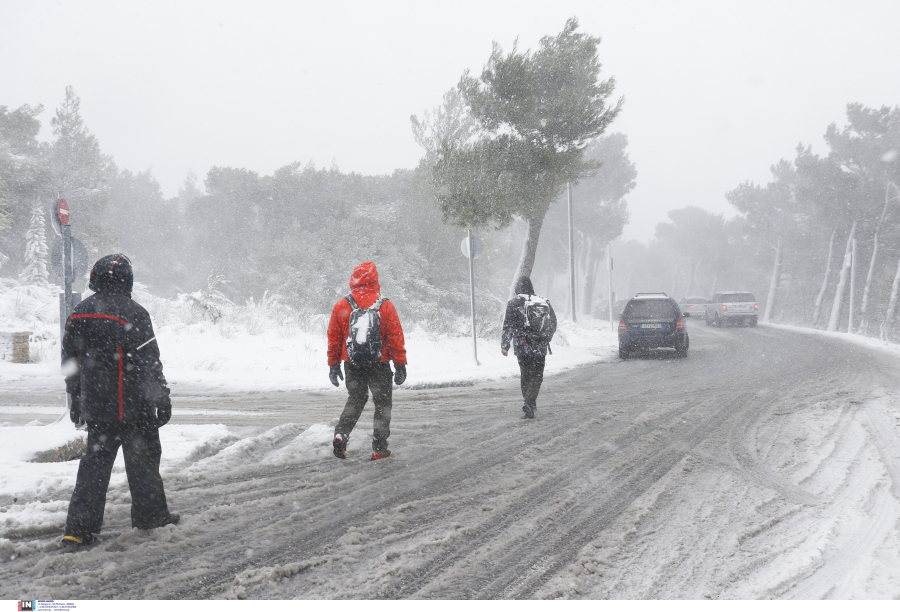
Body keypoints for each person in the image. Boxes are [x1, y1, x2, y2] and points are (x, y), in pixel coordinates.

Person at [61, 254, 179, 547]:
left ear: (95, 278)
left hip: (98, 408)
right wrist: (161, 398)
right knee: (143, 460)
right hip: (134, 407)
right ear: (127, 280)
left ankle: (78, 529)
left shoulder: (79, 313)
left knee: (94, 466)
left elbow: (70, 361)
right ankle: (150, 515)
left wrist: (76, 398)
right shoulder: (134, 312)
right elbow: (149, 361)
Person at [327, 262, 407, 460]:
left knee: (355, 399)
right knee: (382, 405)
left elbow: (334, 338)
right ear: (375, 279)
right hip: (379, 364)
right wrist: (400, 364)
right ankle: (379, 449)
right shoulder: (384, 305)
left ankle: (341, 434)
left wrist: (333, 365)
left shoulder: (341, 305)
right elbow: (395, 337)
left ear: (353, 279)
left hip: (352, 363)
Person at [501, 275, 557, 419]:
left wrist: (505, 345)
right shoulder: (542, 301)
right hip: (540, 345)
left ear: (517, 288)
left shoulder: (514, 303)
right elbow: (553, 321)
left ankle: (529, 402)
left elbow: (508, 325)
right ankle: (530, 402)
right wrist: (547, 336)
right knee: (537, 375)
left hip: (522, 345)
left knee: (525, 374)